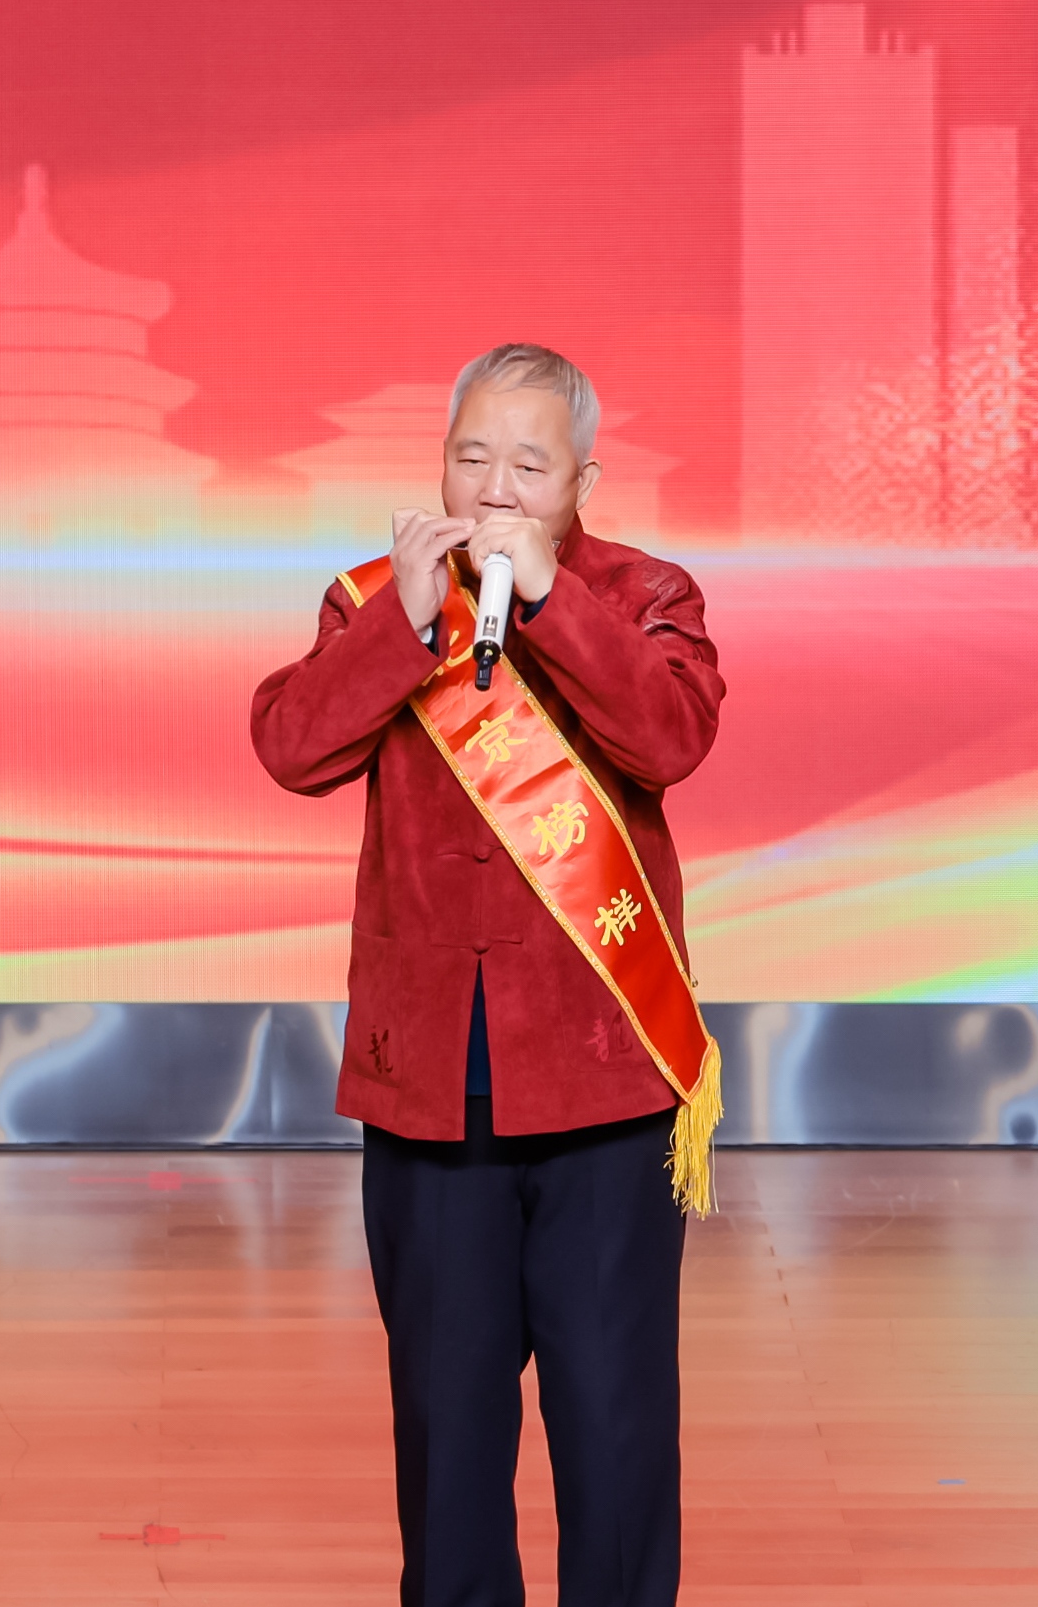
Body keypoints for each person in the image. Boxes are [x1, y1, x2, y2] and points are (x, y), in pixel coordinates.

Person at [251, 343, 727, 1607]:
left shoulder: (644, 592)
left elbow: (669, 735)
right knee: (446, 1428)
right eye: (471, 457)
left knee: (613, 1423)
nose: (496, 487)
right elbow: (291, 747)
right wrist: (404, 625)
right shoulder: (379, 597)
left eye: (528, 463)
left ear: (582, 480)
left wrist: (551, 599)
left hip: (604, 1084)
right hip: (428, 1087)